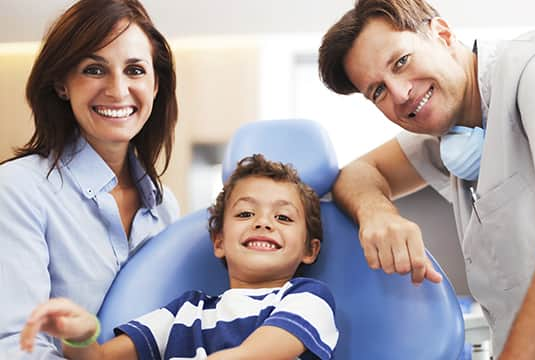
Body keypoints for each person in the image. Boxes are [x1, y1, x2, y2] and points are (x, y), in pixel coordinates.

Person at [318, 0, 535, 358]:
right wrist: (377, 213)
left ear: (442, 34)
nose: (400, 93)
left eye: (401, 62)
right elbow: (358, 174)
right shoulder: (451, 131)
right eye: (377, 90)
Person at [19, 154, 339, 360]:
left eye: (283, 218)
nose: (263, 222)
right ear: (219, 242)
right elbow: (101, 358)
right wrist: (79, 337)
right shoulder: (184, 312)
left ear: (310, 250)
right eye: (245, 213)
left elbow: (257, 353)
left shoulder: (307, 299)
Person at [0, 0, 180, 358]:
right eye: (94, 69)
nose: (117, 90)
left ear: (156, 85)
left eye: (135, 70)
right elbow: (16, 345)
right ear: (62, 84)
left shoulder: (164, 207)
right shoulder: (17, 189)